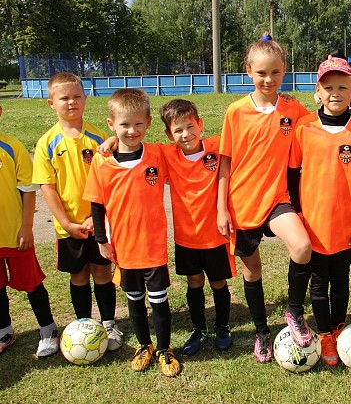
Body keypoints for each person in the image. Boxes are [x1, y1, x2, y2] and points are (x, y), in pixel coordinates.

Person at [99, 99, 238, 356]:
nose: (186, 134)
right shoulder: (165, 154)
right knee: (194, 281)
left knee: (218, 282)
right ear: (168, 134)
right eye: (178, 130)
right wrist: (112, 140)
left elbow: (241, 145)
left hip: (216, 234)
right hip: (186, 237)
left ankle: (222, 327)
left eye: (190, 126)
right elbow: (133, 144)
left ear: (200, 124)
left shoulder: (217, 146)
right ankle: (199, 329)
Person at [216, 40, 314, 363]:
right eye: (261, 73)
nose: (268, 79)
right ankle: (262, 332)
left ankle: (294, 312)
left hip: (277, 198)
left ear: (284, 71)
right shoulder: (236, 111)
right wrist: (221, 208)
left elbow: (324, 121)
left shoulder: (293, 110)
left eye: (275, 72)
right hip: (242, 204)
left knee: (302, 247)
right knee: (252, 272)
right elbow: (225, 163)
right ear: (248, 72)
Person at [83, 88, 181, 377]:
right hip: (123, 247)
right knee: (134, 299)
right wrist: (101, 240)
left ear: (148, 123)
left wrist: (113, 138)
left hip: (153, 246)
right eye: (124, 124)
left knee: (159, 300)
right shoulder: (102, 161)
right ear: (111, 124)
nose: (132, 130)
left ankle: (164, 349)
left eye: (139, 124)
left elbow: (186, 148)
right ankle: (144, 345)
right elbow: (97, 204)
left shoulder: (157, 154)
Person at [288, 58, 351, 366]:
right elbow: (292, 174)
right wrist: (298, 214)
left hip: (346, 225)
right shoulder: (304, 127)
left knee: (340, 281)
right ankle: (324, 332)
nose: (335, 93)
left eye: (342, 87)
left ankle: (338, 329)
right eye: (328, 88)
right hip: (313, 224)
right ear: (318, 92)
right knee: (318, 283)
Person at [32, 72, 122, 350]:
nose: (71, 102)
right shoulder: (47, 142)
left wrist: (97, 218)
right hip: (69, 226)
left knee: (102, 273)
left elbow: (111, 180)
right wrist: (66, 223)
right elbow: (47, 188)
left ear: (85, 99)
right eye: (64, 98)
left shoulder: (99, 138)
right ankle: (84, 324)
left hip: (98, 223)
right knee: (79, 276)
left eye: (76, 96)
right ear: (51, 103)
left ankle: (109, 323)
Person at [0, 104, 60, 357]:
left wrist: (26, 227)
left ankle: (48, 329)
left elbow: (27, 190)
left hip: (14, 234)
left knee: (32, 283)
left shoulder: (12, 147)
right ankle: (4, 331)